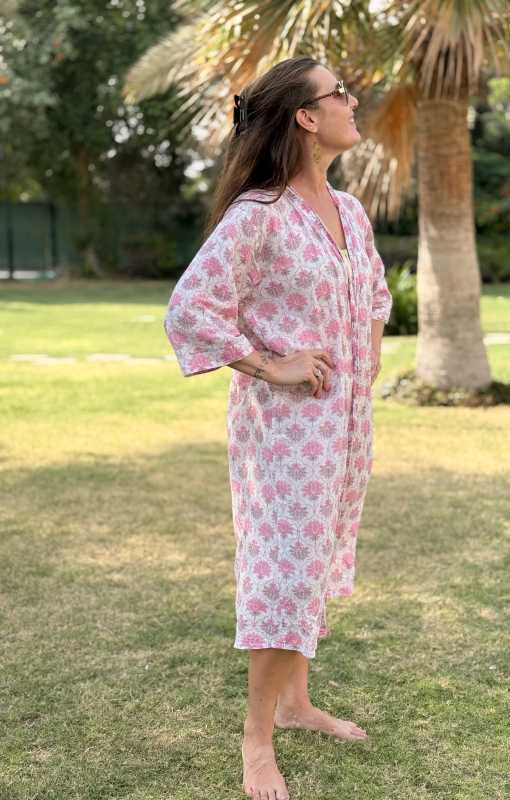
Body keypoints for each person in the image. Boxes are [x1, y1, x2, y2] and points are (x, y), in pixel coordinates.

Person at [164, 55, 393, 800]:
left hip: (345, 429)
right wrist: (272, 365)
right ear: (305, 115)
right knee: (283, 572)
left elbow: (378, 296)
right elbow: (192, 310)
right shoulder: (257, 216)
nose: (353, 104)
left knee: (317, 563)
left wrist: (367, 362)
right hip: (286, 437)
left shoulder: (349, 211)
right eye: (340, 95)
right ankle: (256, 740)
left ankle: (296, 705)